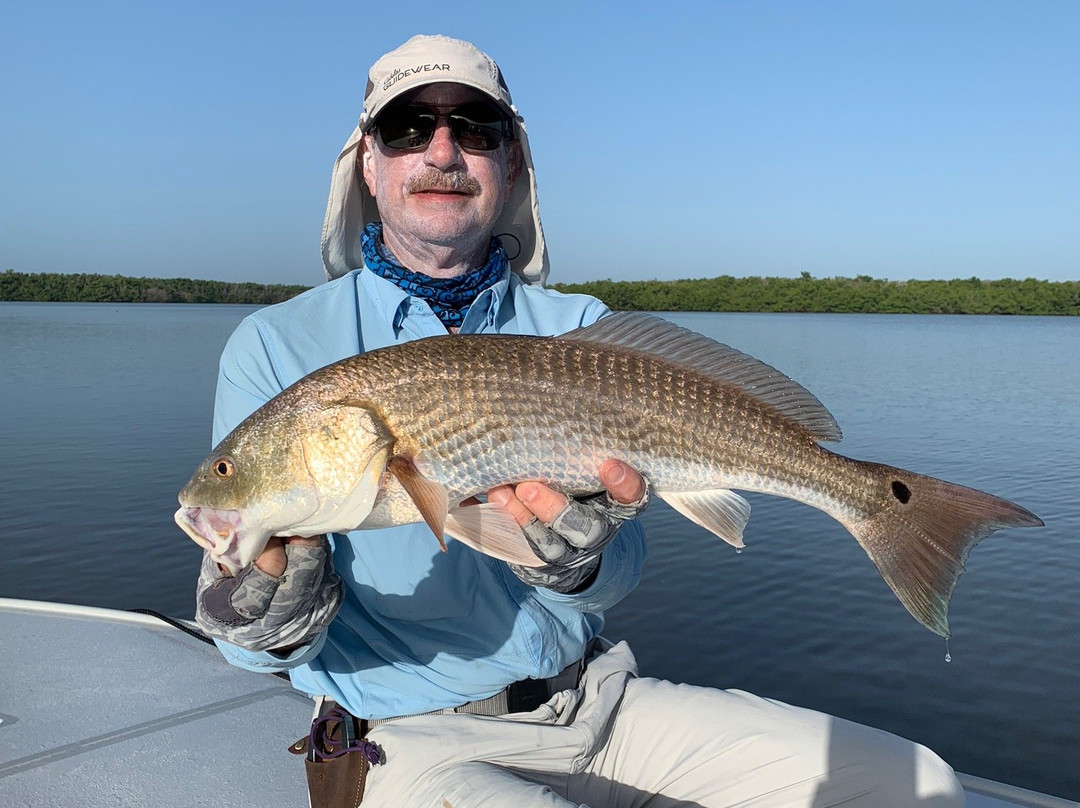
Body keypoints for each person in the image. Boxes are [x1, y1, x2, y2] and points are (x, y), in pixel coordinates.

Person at [195, 34, 964, 808]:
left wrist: (577, 565)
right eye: (406, 129)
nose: (443, 150)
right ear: (368, 162)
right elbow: (248, 640)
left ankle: (880, 508)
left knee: (915, 786)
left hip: (595, 702)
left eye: (476, 128)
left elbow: (614, 578)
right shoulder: (278, 348)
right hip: (405, 738)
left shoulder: (582, 329)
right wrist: (271, 600)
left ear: (513, 161)